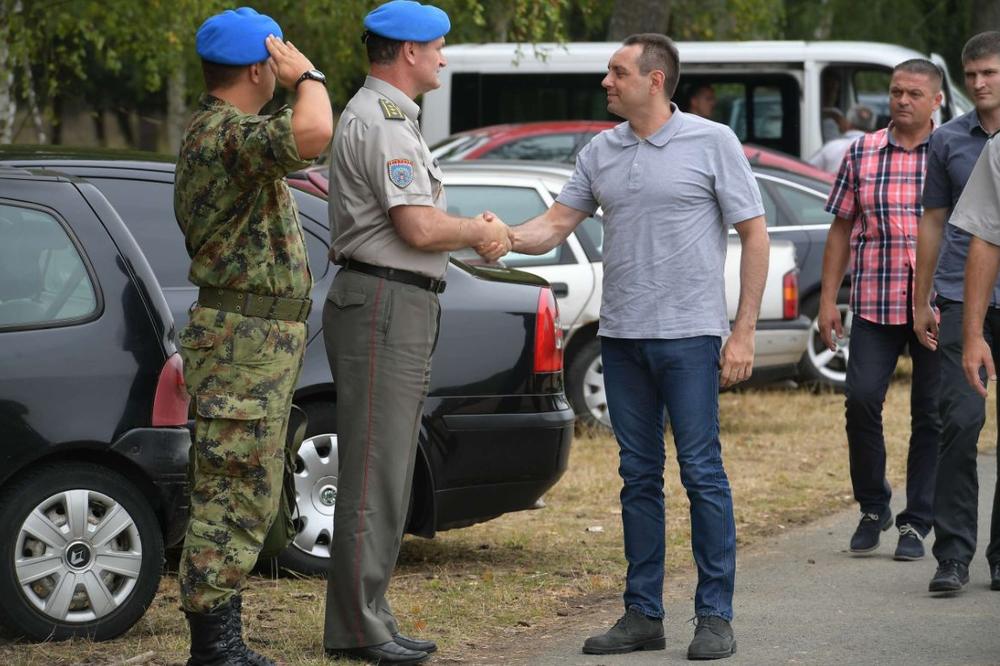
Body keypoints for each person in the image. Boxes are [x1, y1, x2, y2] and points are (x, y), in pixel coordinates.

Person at [510, 33, 769, 661]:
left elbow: (755, 236)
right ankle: (642, 615)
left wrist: (742, 332)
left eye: (617, 72)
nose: (606, 81)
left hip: (690, 336)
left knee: (702, 474)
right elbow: (553, 227)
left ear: (654, 81)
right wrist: (489, 236)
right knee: (637, 477)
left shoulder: (712, 142)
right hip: (620, 336)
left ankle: (714, 616)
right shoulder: (601, 149)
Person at [321, 1, 510, 664]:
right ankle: (356, 625)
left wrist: (461, 234)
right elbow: (417, 229)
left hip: (393, 301)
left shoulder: (390, 118)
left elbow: (417, 228)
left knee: (388, 467)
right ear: (407, 51)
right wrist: (476, 231)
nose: (443, 58)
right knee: (376, 469)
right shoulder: (383, 121)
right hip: (382, 304)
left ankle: (370, 611)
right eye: (437, 48)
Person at [174, 7, 333, 666]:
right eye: (277, 60)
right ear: (259, 67)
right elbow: (314, 130)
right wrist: (310, 74)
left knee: (245, 489)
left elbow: (303, 137)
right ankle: (214, 651)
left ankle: (222, 643)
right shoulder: (222, 135)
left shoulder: (229, 133)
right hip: (241, 346)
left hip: (252, 345)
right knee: (232, 490)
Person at [818, 59, 943, 562]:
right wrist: (828, 299)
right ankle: (874, 506)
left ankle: (917, 523)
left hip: (936, 307)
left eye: (914, 93)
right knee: (862, 400)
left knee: (930, 415)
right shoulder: (863, 151)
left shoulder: (953, 152)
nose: (902, 101)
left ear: (936, 100)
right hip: (874, 300)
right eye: (896, 92)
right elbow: (841, 229)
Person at [912, 31, 1000, 595]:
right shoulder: (947, 140)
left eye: (990, 72)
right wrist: (922, 298)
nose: (979, 84)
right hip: (960, 298)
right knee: (960, 425)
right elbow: (934, 223)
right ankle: (953, 554)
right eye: (971, 75)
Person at [808, 104, 876, 173]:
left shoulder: (831, 148)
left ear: (848, 124)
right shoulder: (882, 150)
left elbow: (807, 171)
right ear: (872, 128)